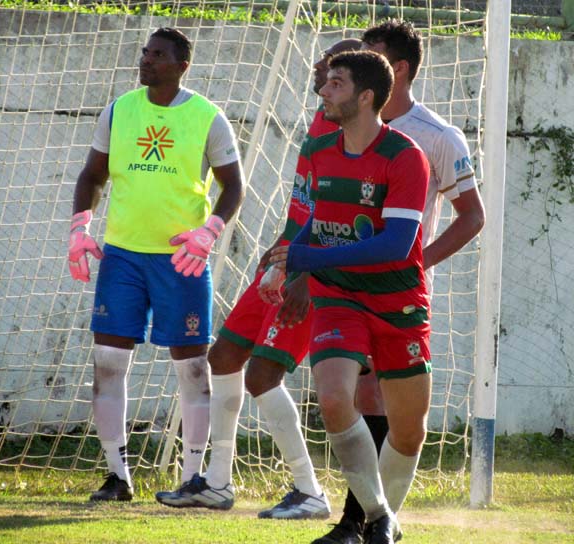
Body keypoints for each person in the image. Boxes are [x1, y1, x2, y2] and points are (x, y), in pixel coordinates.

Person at [153, 38, 361, 519]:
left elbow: (343, 214)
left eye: (330, 66)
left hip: (315, 273)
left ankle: (309, 491)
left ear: (351, 82)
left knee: (263, 374)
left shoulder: (353, 136)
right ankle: (218, 485)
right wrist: (278, 252)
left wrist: (305, 275)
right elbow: (308, 204)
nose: (316, 68)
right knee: (223, 355)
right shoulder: (322, 122)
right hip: (289, 259)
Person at [313, 21, 485, 544]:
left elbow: (472, 216)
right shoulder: (333, 129)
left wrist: (415, 262)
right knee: (352, 394)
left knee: (392, 410)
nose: (360, 58)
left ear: (398, 69)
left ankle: (371, 520)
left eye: (372, 53)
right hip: (341, 289)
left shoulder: (435, 137)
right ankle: (358, 521)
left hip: (398, 292)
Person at [68, 27, 245, 501]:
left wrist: (210, 231)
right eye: (145, 52)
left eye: (158, 55)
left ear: (182, 65)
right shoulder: (119, 109)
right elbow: (92, 174)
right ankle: (117, 476)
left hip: (181, 260)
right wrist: (79, 229)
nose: (146, 60)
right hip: (122, 256)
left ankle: (192, 478)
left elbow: (234, 186)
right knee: (107, 363)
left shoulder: (207, 117)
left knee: (192, 368)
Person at [261, 49, 430, 544]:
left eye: (335, 83)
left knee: (408, 432)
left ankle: (382, 521)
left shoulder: (405, 157)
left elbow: (396, 245)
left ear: (366, 96)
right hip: (340, 297)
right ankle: (378, 520)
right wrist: (289, 257)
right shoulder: (318, 150)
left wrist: (306, 259)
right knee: (334, 398)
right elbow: (320, 216)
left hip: (398, 302)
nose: (323, 90)